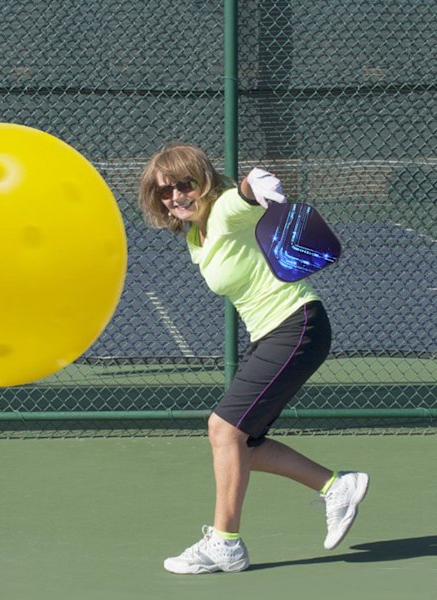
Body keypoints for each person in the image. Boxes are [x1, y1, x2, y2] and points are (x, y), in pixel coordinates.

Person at [138, 142, 369, 575]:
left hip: (296, 325)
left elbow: (243, 197)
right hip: (270, 335)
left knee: (222, 429)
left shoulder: (224, 209)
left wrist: (254, 184)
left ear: (204, 183)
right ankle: (337, 486)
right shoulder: (195, 236)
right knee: (244, 444)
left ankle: (226, 544)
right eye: (164, 191)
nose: (176, 197)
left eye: (184, 184)